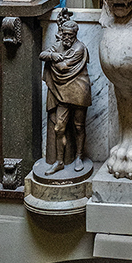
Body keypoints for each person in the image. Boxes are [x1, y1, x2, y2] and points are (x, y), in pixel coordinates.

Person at [39, 10, 91, 175]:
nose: (66, 38)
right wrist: (53, 55)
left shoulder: (79, 49)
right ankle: (59, 161)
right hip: (62, 93)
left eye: (69, 35)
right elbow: (43, 54)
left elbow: (64, 67)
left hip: (78, 90)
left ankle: (79, 157)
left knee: (78, 126)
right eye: (64, 34)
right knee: (59, 128)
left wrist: (54, 59)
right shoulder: (59, 45)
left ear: (75, 35)